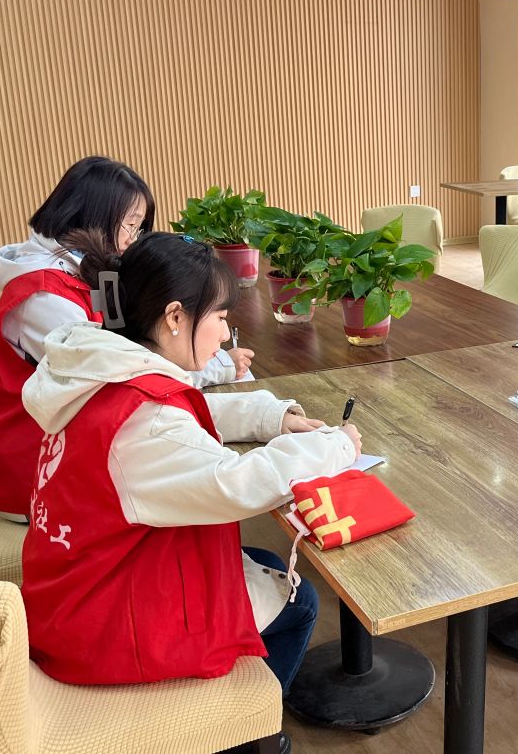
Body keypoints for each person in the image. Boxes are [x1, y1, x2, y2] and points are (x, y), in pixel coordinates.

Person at [20, 232, 359, 753]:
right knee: (301, 600)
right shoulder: (147, 421)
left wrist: (270, 417)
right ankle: (243, 735)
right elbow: (237, 485)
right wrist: (335, 446)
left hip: (71, 591)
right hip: (103, 626)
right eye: (220, 317)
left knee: (266, 562)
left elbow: (177, 417)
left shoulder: (95, 366)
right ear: (175, 316)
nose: (225, 332)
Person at [0, 156, 254, 520]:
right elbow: (123, 380)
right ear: (92, 215)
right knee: (196, 485)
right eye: (130, 225)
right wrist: (217, 366)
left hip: (62, 444)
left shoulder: (77, 272)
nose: (131, 240)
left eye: (138, 228)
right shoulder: (44, 298)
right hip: (31, 472)